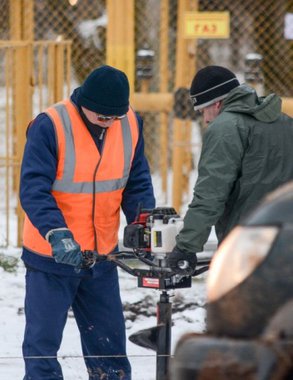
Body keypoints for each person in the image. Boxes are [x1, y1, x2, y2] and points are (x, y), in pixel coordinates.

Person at [20, 65, 155, 380]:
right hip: (51, 256)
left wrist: (143, 221)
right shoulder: (50, 126)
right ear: (85, 103)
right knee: (42, 343)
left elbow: (137, 181)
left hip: (101, 256)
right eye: (103, 117)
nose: (109, 123)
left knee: (108, 345)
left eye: (115, 117)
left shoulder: (130, 124)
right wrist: (57, 233)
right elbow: (33, 189)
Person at [167, 65, 293, 274]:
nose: (206, 119)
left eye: (203, 111)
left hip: (246, 243)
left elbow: (210, 194)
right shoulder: (285, 122)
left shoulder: (226, 127)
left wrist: (186, 246)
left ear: (217, 103)